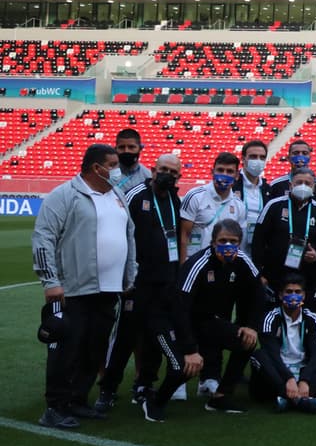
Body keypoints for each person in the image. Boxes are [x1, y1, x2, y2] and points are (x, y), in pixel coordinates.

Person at [32, 144, 137, 430]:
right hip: (74, 289)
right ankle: (55, 406)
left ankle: (78, 399)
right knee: (67, 348)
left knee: (95, 348)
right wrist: (50, 281)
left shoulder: (117, 195)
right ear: (96, 168)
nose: (118, 170)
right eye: (113, 164)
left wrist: (130, 275)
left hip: (109, 289)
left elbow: (129, 236)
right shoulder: (64, 195)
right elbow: (43, 238)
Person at [143, 219, 260, 420]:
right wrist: (190, 350)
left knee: (246, 341)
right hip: (167, 319)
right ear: (213, 242)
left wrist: (251, 326)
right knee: (184, 365)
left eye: (233, 241)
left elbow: (258, 292)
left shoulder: (242, 260)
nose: (228, 246)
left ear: (239, 243)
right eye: (223, 240)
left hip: (200, 321)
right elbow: (180, 308)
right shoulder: (199, 264)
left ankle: (221, 397)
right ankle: (154, 401)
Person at [99, 152, 182, 410]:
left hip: (165, 283)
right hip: (137, 283)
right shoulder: (136, 196)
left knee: (155, 337)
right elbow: (121, 233)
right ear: (153, 170)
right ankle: (108, 389)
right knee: (125, 337)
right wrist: (125, 277)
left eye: (173, 172)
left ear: (178, 176)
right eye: (163, 169)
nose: (167, 175)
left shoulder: (175, 200)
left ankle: (145, 385)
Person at [251, 273, 316, 413]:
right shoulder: (270, 318)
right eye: (288, 292)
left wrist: (305, 380)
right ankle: (301, 399)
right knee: (258, 355)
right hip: (279, 369)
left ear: (304, 296)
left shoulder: (313, 318)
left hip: (303, 369)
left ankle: (290, 398)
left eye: (297, 292)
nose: (293, 295)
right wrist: (288, 378)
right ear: (281, 295)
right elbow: (272, 354)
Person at [252, 166, 316, 318]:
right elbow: (258, 241)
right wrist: (259, 273)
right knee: (273, 319)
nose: (303, 186)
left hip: (307, 278)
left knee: (304, 320)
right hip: (275, 276)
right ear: (290, 185)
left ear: (314, 187)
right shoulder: (273, 206)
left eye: (307, 183)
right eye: (299, 182)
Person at [179, 152, 248, 259]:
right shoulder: (195, 196)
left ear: (237, 176)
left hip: (222, 264)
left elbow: (238, 242)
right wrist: (183, 267)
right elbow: (183, 235)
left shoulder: (239, 206)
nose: (224, 174)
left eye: (229, 171)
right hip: (195, 262)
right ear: (212, 172)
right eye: (220, 170)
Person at [268, 139, 316, 208]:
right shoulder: (276, 185)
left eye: (304, 153)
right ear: (288, 158)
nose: (300, 157)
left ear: (310, 158)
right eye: (296, 153)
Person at [234, 140, 272, 246]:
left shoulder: (268, 189)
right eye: (253, 156)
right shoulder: (232, 185)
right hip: (234, 247)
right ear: (243, 159)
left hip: (258, 247)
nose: (258, 161)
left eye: (262, 157)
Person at [114, 127, 151, 193]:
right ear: (115, 149)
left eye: (131, 147)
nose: (126, 151)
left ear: (140, 148)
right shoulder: (107, 176)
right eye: (122, 147)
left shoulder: (149, 177)